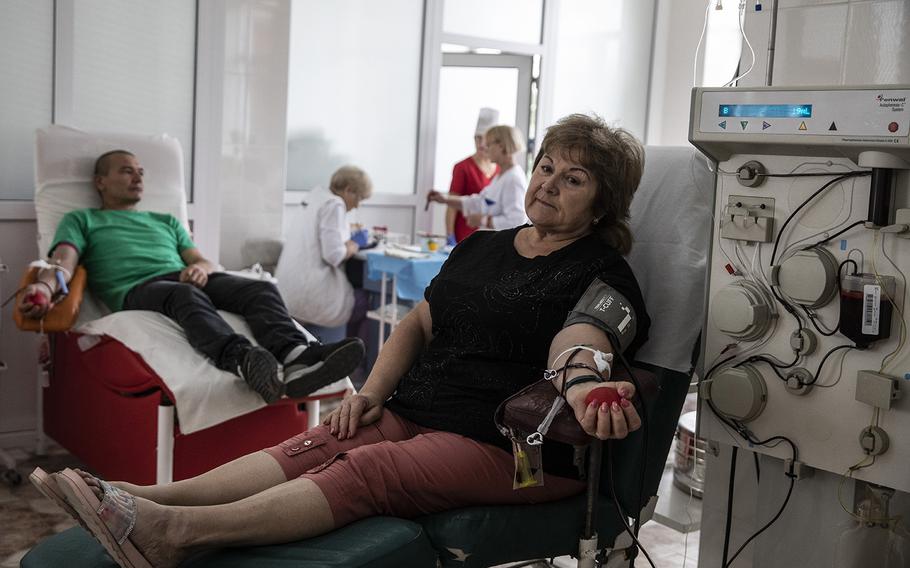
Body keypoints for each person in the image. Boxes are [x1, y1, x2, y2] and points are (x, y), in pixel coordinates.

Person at [34, 114, 651, 568]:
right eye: (546, 166)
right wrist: (373, 393)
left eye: (574, 179)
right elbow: (417, 324)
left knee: (371, 469)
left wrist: (588, 384)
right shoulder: (482, 247)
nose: (547, 184)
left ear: (603, 205)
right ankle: (143, 499)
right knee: (318, 440)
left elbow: (580, 340)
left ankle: (177, 534)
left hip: (508, 443)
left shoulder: (599, 271)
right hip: (418, 410)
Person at [16, 150, 364, 403]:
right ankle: (242, 360)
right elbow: (63, 262)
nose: (137, 177)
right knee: (184, 295)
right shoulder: (83, 219)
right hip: (136, 288)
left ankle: (296, 356)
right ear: (100, 181)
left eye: (140, 171)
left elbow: (202, 260)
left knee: (259, 289)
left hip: (185, 276)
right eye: (126, 171)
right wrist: (44, 287)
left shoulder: (164, 221)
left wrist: (201, 267)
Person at [275, 165, 372, 333]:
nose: (357, 206)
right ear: (349, 190)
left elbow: (320, 231)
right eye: (359, 199)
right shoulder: (335, 205)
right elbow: (334, 255)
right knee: (367, 301)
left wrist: (346, 229)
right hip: (311, 294)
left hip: (286, 290)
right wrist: (354, 244)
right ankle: (363, 356)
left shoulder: (316, 196)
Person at [428, 124, 528, 233]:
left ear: (502, 146)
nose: (485, 149)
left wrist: (484, 220)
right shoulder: (501, 176)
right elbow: (481, 202)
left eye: (489, 145)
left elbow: (517, 221)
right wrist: (445, 199)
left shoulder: (513, 178)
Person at [445, 107, 500, 245]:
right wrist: (450, 236)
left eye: (485, 139)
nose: (481, 144)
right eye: (477, 138)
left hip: (491, 236)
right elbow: (452, 205)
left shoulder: (502, 170)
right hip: (464, 235)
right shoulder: (462, 167)